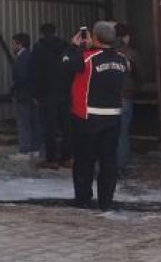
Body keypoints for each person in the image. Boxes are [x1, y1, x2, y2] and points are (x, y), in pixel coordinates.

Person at [65, 21, 128, 210]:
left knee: (84, 160)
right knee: (109, 161)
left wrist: (73, 46)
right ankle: (106, 200)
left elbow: (66, 63)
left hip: (87, 116)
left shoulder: (88, 58)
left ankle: (83, 198)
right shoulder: (122, 60)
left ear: (95, 37)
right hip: (113, 116)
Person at [30, 23, 73, 169]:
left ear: (41, 33)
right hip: (66, 93)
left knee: (50, 128)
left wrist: (35, 93)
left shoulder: (38, 48)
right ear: (56, 32)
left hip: (47, 94)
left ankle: (51, 159)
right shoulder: (65, 47)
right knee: (67, 127)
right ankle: (67, 158)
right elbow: (71, 68)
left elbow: (35, 73)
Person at [114, 23, 140, 176]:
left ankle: (107, 164)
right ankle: (120, 166)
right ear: (126, 37)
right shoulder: (131, 53)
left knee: (108, 132)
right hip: (125, 97)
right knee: (123, 133)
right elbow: (140, 75)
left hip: (106, 99)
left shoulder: (102, 53)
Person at [10, 32, 40, 158]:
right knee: (33, 122)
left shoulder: (22, 58)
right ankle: (34, 149)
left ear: (19, 44)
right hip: (31, 95)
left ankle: (24, 151)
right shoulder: (31, 56)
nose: (12, 46)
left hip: (23, 95)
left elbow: (21, 78)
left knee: (23, 123)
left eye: (13, 44)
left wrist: (15, 89)